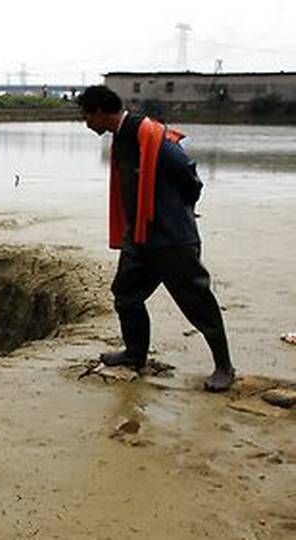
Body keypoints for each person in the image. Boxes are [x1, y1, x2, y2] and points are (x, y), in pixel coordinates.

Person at [77, 85, 236, 392]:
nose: (85, 123)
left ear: (99, 112)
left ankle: (224, 367)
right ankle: (135, 355)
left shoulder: (152, 137)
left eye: (86, 116)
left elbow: (190, 179)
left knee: (197, 301)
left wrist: (175, 212)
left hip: (172, 239)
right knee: (126, 295)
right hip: (140, 237)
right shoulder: (122, 139)